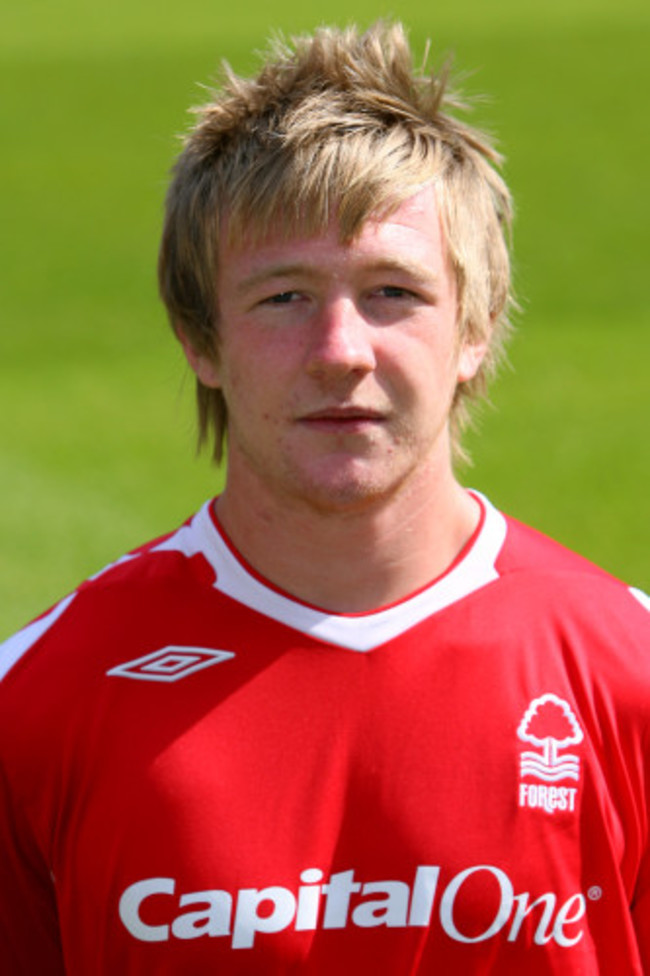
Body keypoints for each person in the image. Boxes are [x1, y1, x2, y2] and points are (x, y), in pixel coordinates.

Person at [0, 20, 648, 975]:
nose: (342, 350)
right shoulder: (41, 700)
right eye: (283, 298)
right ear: (200, 338)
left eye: (392, 292)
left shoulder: (628, 674)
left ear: (474, 328)